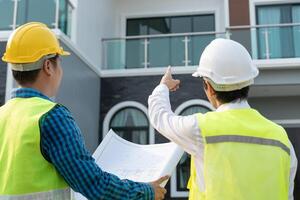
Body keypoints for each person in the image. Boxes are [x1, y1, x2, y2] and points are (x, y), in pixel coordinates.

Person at [0, 22, 168, 200]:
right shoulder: (51, 117)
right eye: (60, 63)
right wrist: (147, 192)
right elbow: (94, 185)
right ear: (48, 66)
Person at [148, 38, 297, 200]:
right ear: (248, 83)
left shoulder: (201, 130)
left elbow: (160, 117)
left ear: (209, 87)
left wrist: (163, 86)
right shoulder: (282, 139)